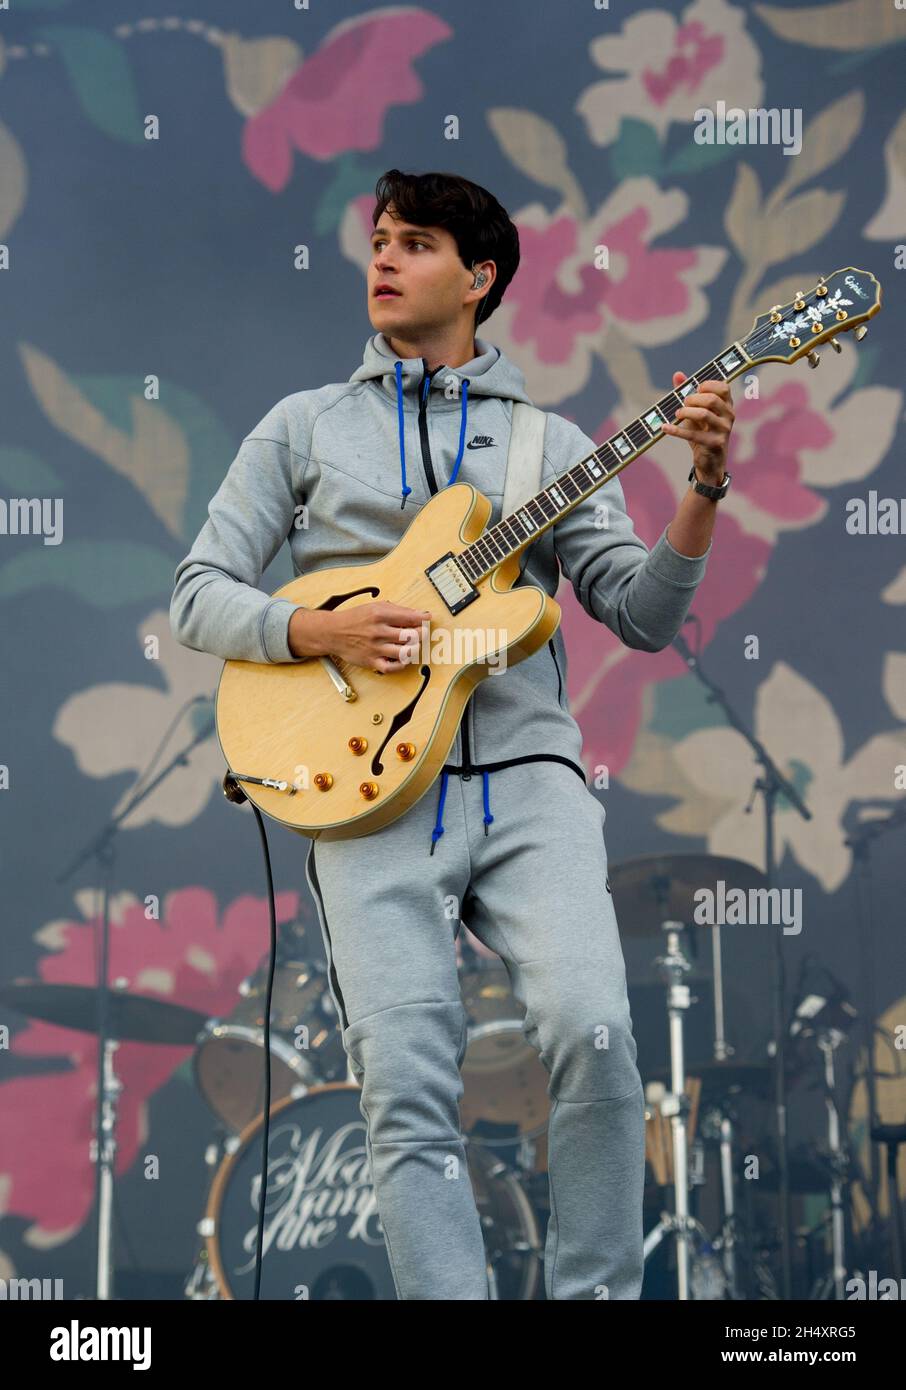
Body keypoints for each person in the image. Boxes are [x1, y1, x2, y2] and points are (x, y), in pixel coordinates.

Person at [170, 168, 735, 1300]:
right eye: (378, 238)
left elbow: (642, 612)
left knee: (598, 1039)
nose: (382, 258)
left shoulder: (552, 444)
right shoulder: (304, 427)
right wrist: (318, 625)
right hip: (366, 791)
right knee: (405, 1086)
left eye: (414, 242)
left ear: (478, 279)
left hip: (526, 776)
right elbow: (198, 594)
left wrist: (703, 489)